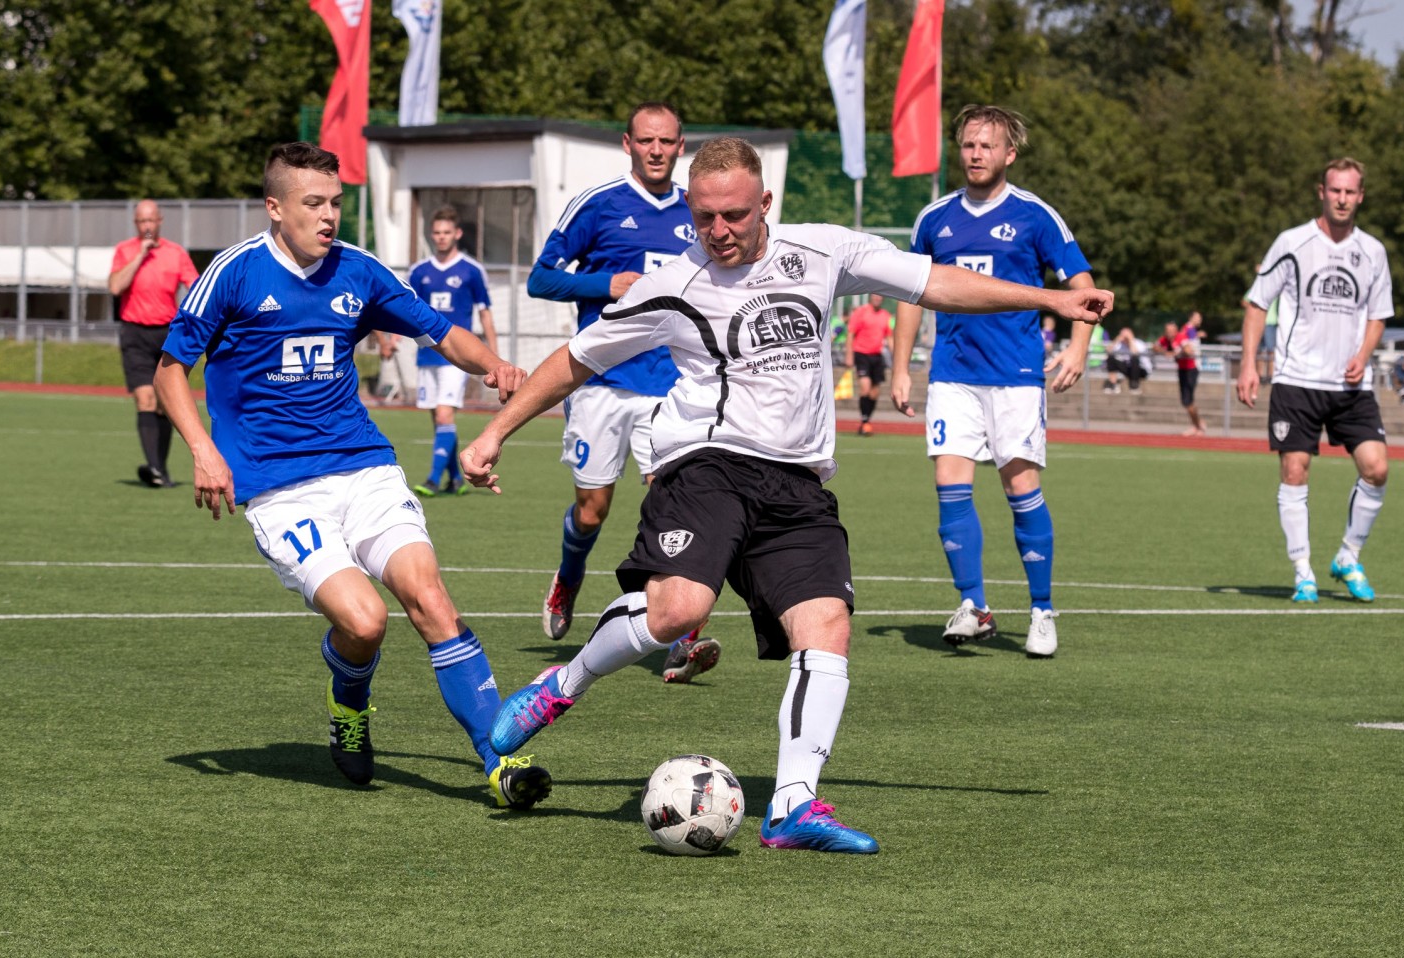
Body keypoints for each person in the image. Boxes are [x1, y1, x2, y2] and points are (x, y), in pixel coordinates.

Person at [458, 136, 1113, 853]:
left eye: (735, 215)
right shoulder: (672, 284)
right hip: (707, 463)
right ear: (689, 210)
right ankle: (564, 684)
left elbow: (936, 282)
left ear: (764, 202)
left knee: (827, 625)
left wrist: (1054, 297)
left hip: (797, 482)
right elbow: (573, 362)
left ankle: (794, 806)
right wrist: (495, 435)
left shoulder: (823, 250)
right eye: (705, 218)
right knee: (680, 612)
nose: (720, 231)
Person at [151, 142, 544, 810]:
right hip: (279, 489)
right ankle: (348, 702)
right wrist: (201, 448)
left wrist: (495, 368)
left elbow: (442, 333)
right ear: (275, 209)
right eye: (313, 204)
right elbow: (168, 369)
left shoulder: (359, 272)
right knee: (364, 623)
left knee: (430, 599)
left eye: (335, 202)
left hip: (363, 468)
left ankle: (500, 761)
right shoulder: (235, 274)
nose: (329, 215)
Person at [888, 105, 1099, 659]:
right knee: (949, 487)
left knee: (1020, 490)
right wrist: (900, 365)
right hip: (953, 375)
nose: (976, 154)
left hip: (1016, 376)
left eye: (988, 145)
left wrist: (1078, 347)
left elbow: (1084, 286)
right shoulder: (934, 219)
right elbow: (913, 292)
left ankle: (1042, 611)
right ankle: (974, 605)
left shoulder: (1035, 216)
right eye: (968, 145)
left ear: (1010, 153)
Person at [525, 102, 720, 684]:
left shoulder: (697, 210)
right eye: (645, 140)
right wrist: (602, 282)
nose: (656, 150)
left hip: (671, 385)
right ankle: (569, 575)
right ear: (627, 144)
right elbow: (541, 278)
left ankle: (681, 637)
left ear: (681, 145)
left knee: (673, 502)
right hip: (602, 383)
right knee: (593, 510)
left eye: (666, 141)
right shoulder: (598, 204)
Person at [1238, 157, 1394, 604]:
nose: (1342, 199)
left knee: (1377, 468)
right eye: (1335, 191)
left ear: (1360, 196)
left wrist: (1363, 355)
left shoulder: (1374, 252)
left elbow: (1379, 315)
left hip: (1351, 387)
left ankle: (1348, 555)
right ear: (1321, 193)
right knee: (1294, 470)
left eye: (1350, 192)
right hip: (1296, 380)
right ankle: (1303, 571)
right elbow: (1256, 304)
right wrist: (1249, 363)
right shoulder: (1292, 242)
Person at [385, 205, 496, 497]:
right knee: (438, 419)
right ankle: (455, 478)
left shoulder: (472, 270)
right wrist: (394, 339)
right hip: (427, 354)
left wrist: (494, 358)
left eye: (447, 232)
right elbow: (405, 311)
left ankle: (433, 479)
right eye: (437, 232)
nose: (441, 237)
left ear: (457, 234)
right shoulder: (419, 271)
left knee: (446, 415)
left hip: (457, 357)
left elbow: (485, 314)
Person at [109, 200, 199, 488]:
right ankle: (155, 468)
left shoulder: (176, 253)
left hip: (166, 333)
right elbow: (114, 287)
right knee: (145, 398)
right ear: (136, 224)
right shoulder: (125, 251)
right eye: (141, 221)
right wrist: (139, 256)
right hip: (134, 333)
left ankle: (159, 470)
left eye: (151, 220)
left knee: (163, 403)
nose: (146, 226)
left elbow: (196, 287)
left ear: (160, 221)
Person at [845, 293, 893, 433]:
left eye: (880, 296)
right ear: (871, 297)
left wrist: (896, 357)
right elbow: (850, 334)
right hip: (861, 354)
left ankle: (867, 420)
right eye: (875, 295)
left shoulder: (886, 315)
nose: (878, 298)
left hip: (877, 356)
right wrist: (849, 355)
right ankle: (864, 421)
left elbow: (889, 337)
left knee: (874, 393)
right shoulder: (861, 312)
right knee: (865, 388)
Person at [1156, 316, 1206, 436]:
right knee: (1186, 402)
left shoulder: (1181, 337)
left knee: (1188, 401)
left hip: (1191, 369)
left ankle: (1198, 425)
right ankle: (1198, 424)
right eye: (1167, 332)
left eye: (1171, 331)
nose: (1169, 334)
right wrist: (1165, 352)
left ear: (1175, 330)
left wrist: (1176, 352)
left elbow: (1189, 351)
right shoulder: (1166, 339)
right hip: (1182, 370)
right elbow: (1155, 346)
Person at [1103, 327, 1148, 394]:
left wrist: (1130, 340)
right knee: (1111, 357)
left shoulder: (1139, 343)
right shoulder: (1119, 344)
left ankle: (1134, 385)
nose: (1124, 338)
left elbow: (1135, 353)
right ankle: (1113, 383)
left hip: (1141, 369)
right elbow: (1108, 351)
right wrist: (1116, 340)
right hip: (1127, 368)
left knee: (1134, 359)